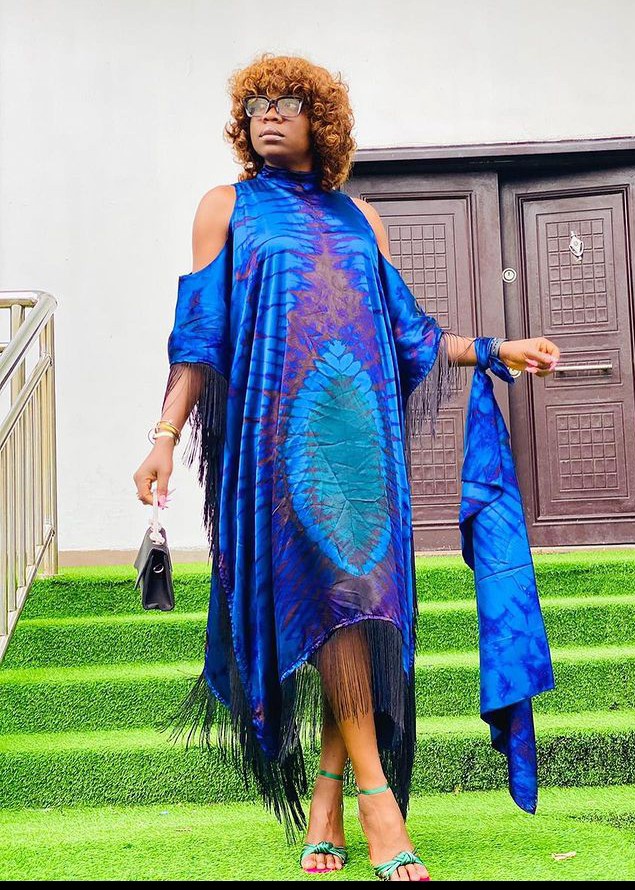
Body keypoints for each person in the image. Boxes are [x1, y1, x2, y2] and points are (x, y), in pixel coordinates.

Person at [133, 52, 560, 882]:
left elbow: (408, 333)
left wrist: (490, 349)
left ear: (320, 120)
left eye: (288, 102)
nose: (268, 113)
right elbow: (198, 335)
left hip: (364, 448)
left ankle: (325, 803)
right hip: (277, 450)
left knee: (358, 612)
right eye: (256, 104)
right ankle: (377, 801)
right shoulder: (225, 207)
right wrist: (162, 435)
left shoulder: (362, 218)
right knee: (332, 602)